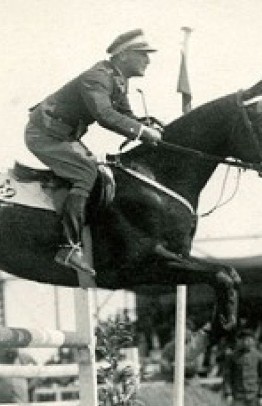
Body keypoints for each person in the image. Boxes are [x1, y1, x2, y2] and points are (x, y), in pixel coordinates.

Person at [24, 28, 164, 276]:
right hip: (45, 134)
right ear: (123, 56)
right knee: (86, 172)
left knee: (99, 174)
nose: (148, 60)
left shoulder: (118, 80)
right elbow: (104, 115)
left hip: (62, 134)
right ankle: (68, 247)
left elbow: (125, 115)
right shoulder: (97, 77)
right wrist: (142, 133)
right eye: (142, 54)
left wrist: (145, 126)